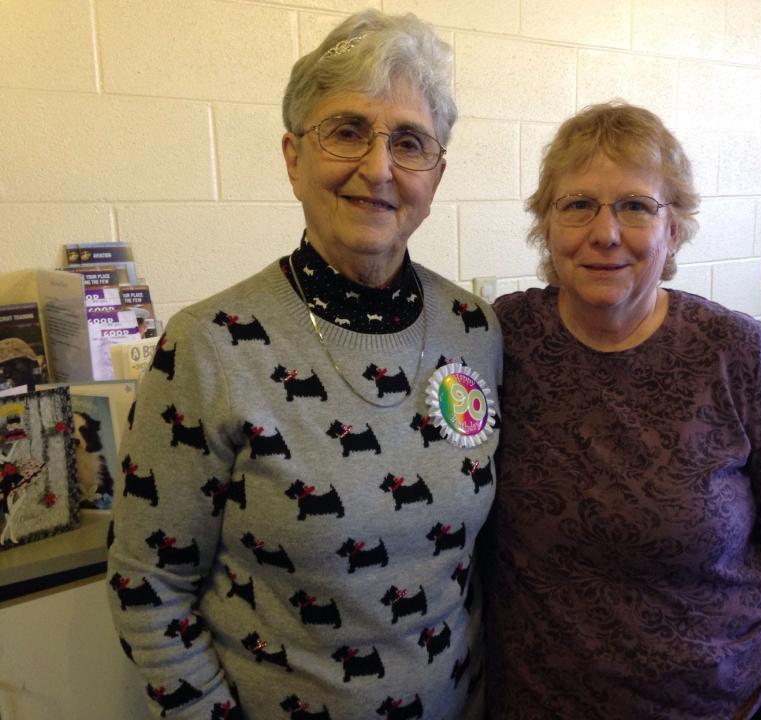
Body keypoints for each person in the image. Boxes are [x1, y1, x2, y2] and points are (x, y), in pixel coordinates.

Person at [107, 10, 500, 719]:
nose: (377, 168)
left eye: (408, 142)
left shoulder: (475, 330)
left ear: (435, 177)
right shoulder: (208, 344)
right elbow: (148, 586)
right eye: (347, 131)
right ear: (293, 156)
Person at [482, 102, 761, 720]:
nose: (605, 232)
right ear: (547, 228)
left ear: (673, 230)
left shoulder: (736, 354)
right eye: (577, 205)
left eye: (635, 205)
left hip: (719, 703)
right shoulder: (500, 341)